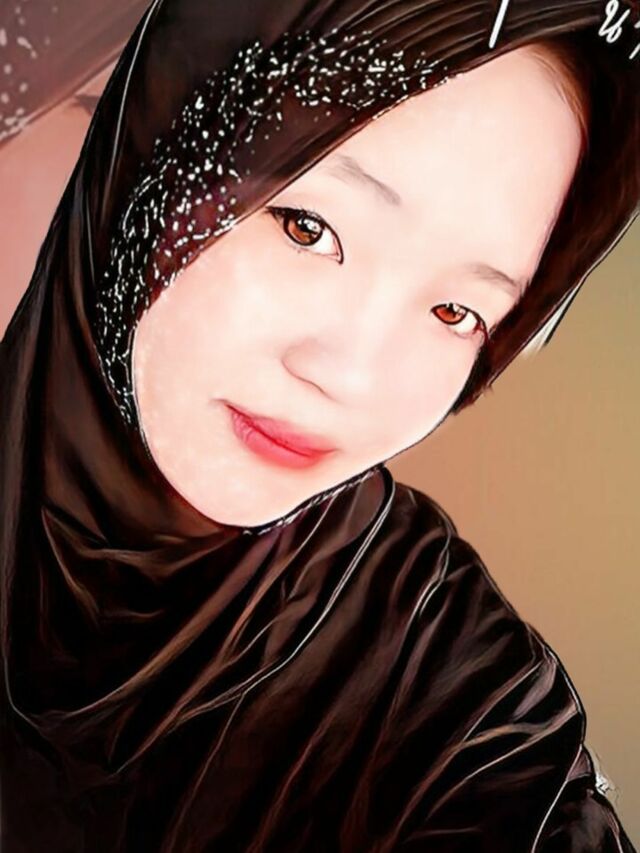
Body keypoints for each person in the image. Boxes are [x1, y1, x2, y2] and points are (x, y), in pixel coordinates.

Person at [0, 0, 638, 850]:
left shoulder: (451, 703)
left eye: (457, 312)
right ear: (155, 139)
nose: (350, 376)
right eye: (308, 228)